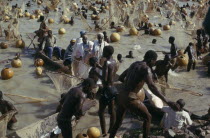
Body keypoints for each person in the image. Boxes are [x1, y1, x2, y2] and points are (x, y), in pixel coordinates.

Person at [110, 50, 177, 138]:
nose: (154, 63)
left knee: (118, 122)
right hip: (131, 98)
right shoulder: (146, 69)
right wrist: (167, 101)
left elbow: (122, 77)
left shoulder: (134, 64)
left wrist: (134, 84)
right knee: (148, 117)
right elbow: (152, 87)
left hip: (121, 95)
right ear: (151, 60)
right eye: (154, 61)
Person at [97, 46, 118, 136]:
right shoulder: (114, 62)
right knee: (111, 111)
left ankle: (104, 132)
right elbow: (111, 73)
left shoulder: (106, 63)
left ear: (106, 53)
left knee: (101, 112)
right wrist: (100, 67)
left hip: (106, 90)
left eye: (104, 51)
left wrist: (96, 73)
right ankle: (111, 130)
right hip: (113, 89)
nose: (103, 52)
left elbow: (105, 79)